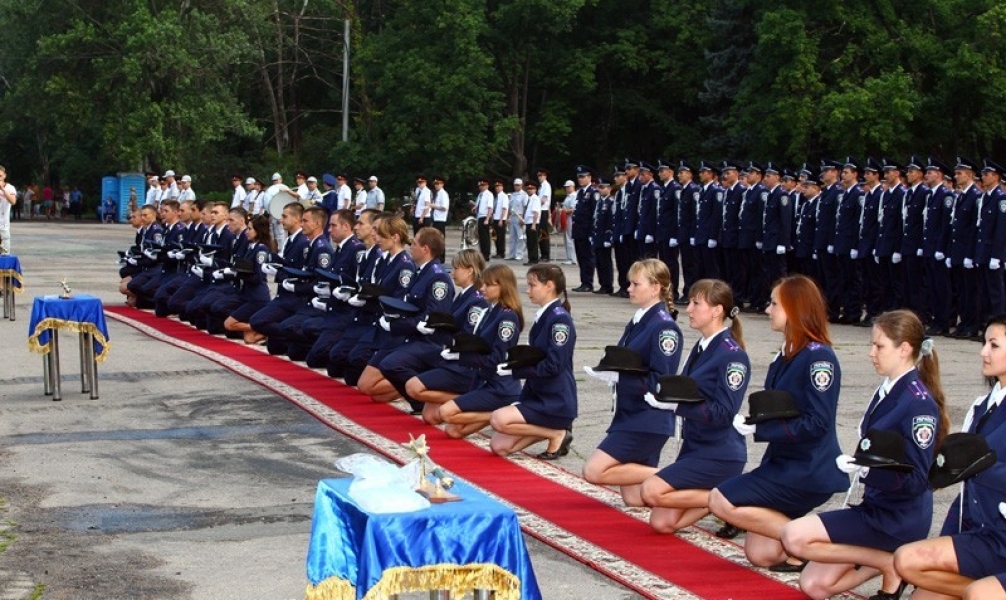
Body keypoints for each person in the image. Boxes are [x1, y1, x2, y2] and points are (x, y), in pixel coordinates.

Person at [781, 309, 947, 599]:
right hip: (875, 507)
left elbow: (919, 479)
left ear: (904, 349)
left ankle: (890, 562)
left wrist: (868, 471)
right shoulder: (887, 389)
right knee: (814, 585)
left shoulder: (918, 403)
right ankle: (887, 562)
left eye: (879, 346)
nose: (871, 352)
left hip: (898, 516)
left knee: (794, 537)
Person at [708, 274, 847, 571]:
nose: (767, 309)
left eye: (774, 304)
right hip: (783, 462)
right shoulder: (785, 355)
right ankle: (803, 534)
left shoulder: (818, 358)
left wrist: (761, 429)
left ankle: (816, 547)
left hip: (808, 467)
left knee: (720, 500)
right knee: (761, 554)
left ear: (794, 309)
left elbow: (817, 423)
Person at [893, 313, 1006, 599]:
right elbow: (965, 487)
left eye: (994, 345)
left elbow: (976, 471)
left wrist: (981, 470)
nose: (983, 352)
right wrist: (950, 536)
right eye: (984, 343)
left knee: (978, 594)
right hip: (985, 536)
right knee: (909, 566)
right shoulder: (983, 406)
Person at [640, 278, 749, 531]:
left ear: (717, 310)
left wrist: (676, 407)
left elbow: (723, 412)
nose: (688, 309)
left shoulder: (732, 355)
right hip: (696, 445)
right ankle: (723, 500)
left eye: (695, 303)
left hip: (720, 451)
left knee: (651, 491)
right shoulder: (702, 347)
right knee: (662, 523)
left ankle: (733, 500)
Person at [582, 259, 685, 506]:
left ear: (656, 287)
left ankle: (683, 476)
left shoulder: (664, 328)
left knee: (594, 471)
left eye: (636, 284)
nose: (629, 288)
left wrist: (619, 379)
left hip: (647, 419)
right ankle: (695, 495)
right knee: (635, 499)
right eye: (630, 283)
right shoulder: (641, 320)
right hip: (631, 413)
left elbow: (660, 382)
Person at [490, 263, 576, 458]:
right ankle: (554, 433)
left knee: (498, 419)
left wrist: (516, 372)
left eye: (532, 285)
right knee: (499, 446)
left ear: (550, 286)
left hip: (555, 399)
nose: (527, 290)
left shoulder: (559, 319)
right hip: (539, 394)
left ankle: (557, 433)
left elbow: (553, 365)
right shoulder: (545, 316)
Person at [435, 263, 523, 439]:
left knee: (445, 413)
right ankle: (498, 413)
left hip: (499, 386)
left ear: (502, 286)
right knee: (452, 430)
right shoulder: (492, 311)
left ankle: (499, 413)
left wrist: (463, 357)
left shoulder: (507, 317)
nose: (482, 289)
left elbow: (496, 358)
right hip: (483, 379)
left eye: (488, 285)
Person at [405, 249, 490, 419]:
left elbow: (468, 337)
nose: (452, 273)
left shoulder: (476, 300)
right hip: (449, 355)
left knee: (413, 387)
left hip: (463, 364)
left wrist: (444, 338)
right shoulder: (463, 296)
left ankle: (467, 399)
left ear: (470, 270)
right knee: (430, 416)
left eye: (457, 268)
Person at [0, 166, 17, 253]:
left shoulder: (10, 188)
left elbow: (13, 201)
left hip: (3, 225)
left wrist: (2, 189)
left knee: (5, 253)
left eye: (0, 176)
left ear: (4, 176)